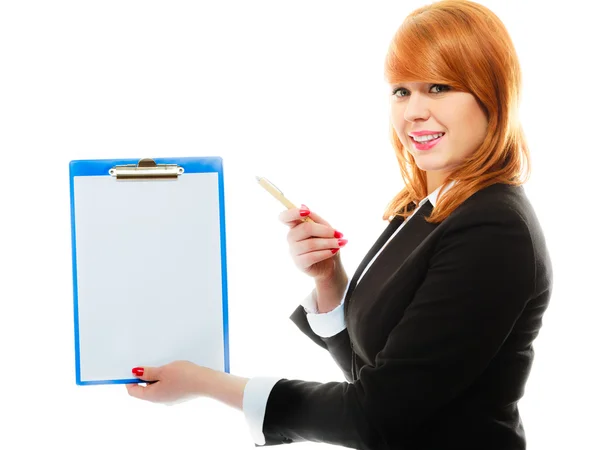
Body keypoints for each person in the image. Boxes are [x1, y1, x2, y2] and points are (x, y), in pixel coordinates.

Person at [126, 1, 553, 448]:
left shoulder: (493, 229)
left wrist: (207, 383)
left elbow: (376, 415)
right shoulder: (422, 208)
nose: (412, 112)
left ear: (493, 93)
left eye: (438, 87)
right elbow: (379, 375)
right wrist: (330, 280)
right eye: (401, 91)